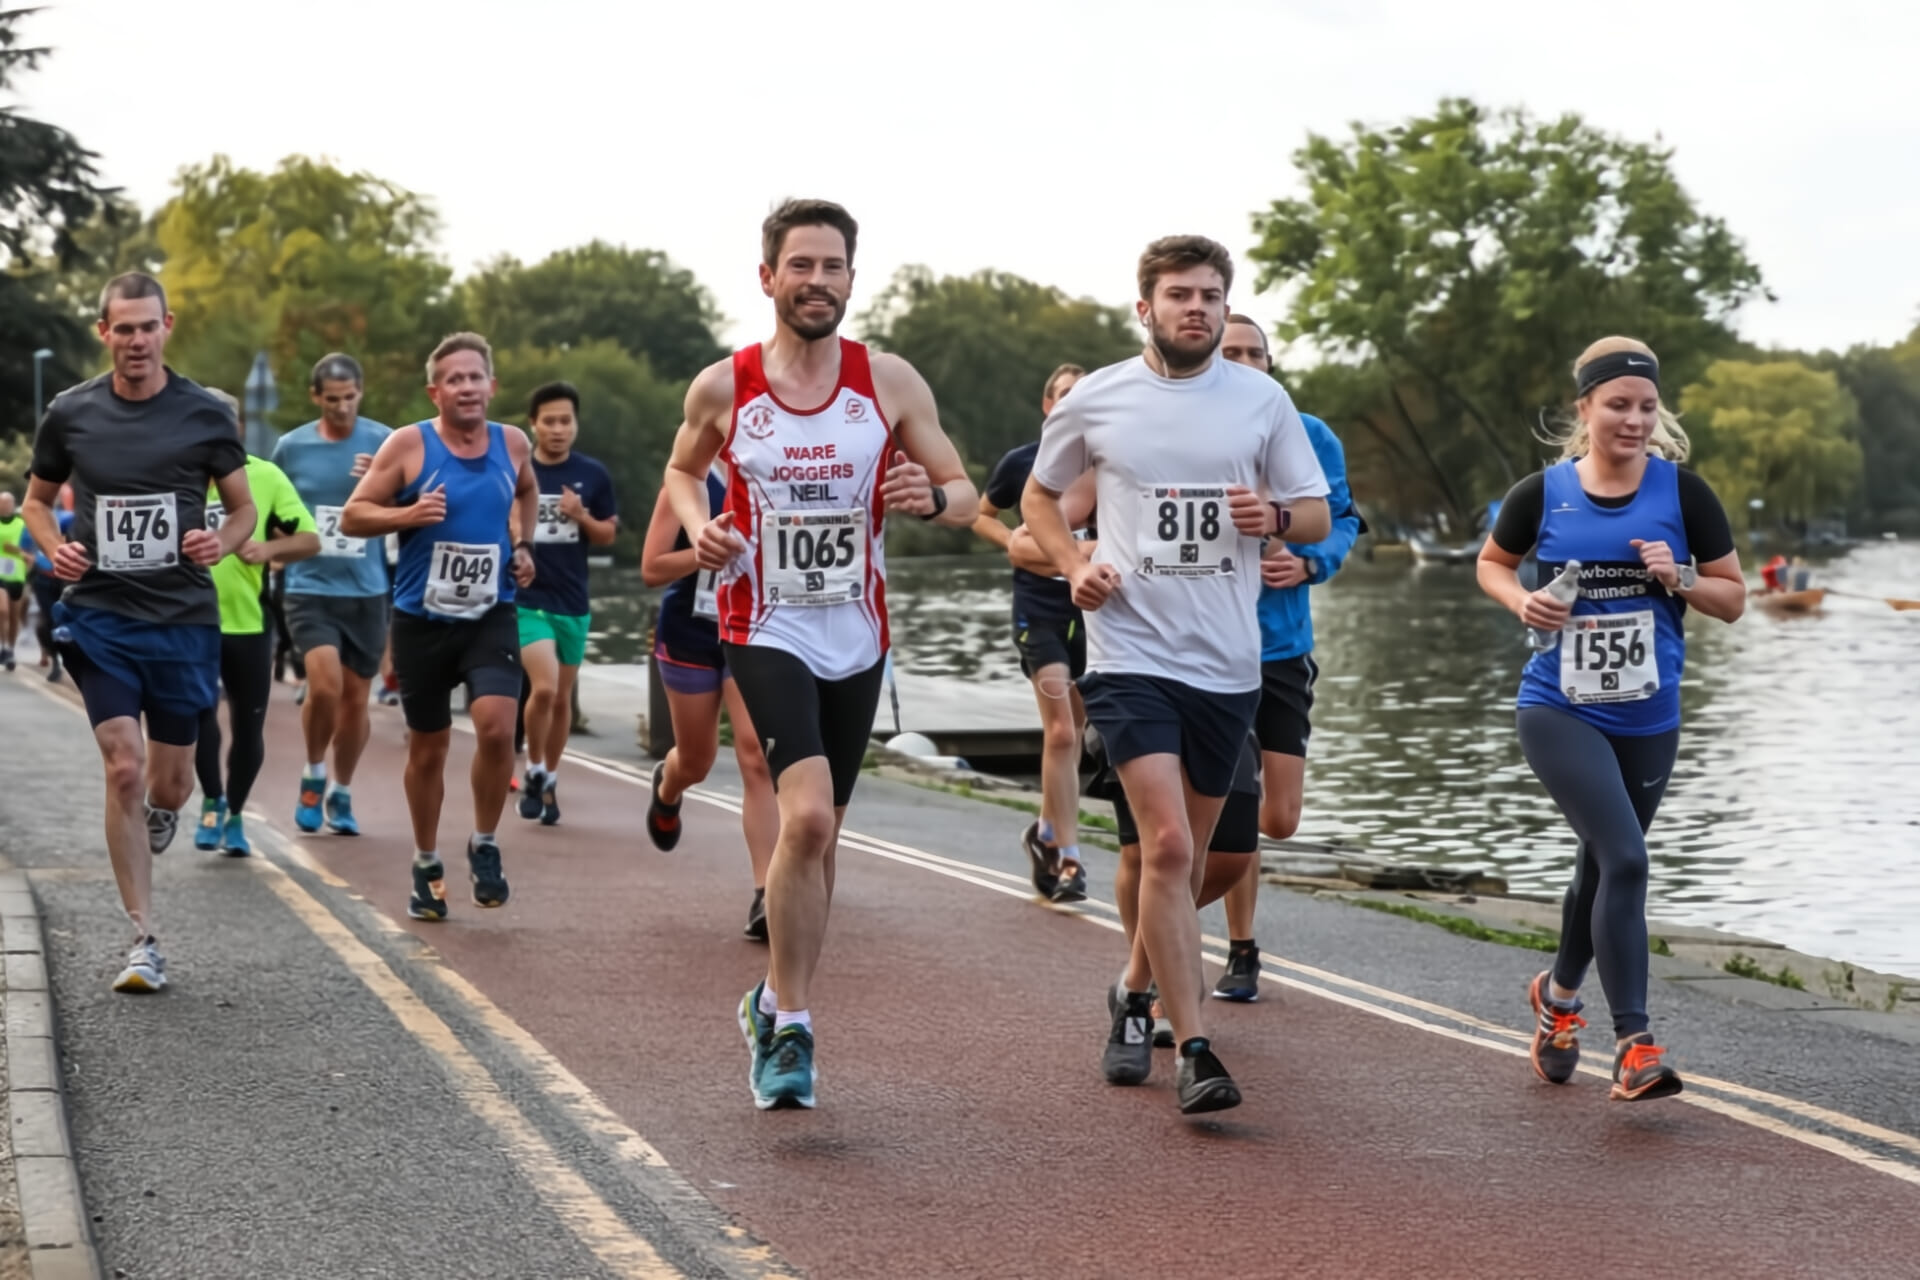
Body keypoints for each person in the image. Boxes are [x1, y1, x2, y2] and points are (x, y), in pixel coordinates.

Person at [663, 198, 977, 1110]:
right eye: (800, 266)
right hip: (762, 622)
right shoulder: (726, 386)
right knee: (803, 820)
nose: (817, 281)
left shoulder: (889, 382)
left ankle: (767, 1002)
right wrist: (701, 528)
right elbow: (682, 472)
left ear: (851, 277)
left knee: (824, 833)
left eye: (833, 266)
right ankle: (794, 1023)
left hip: (856, 630)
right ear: (768, 278)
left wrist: (929, 497)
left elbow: (964, 494)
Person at [1022, 235, 1329, 1115]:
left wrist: (1271, 512)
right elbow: (1040, 498)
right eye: (1180, 294)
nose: (1197, 308)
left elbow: (1312, 514)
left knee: (1190, 861)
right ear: (1144, 307)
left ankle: (1131, 990)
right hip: (1128, 654)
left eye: (1212, 295)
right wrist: (1072, 561)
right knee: (1163, 846)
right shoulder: (1101, 398)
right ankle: (1195, 1050)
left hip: (1228, 661)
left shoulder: (1262, 400)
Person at [1477, 335, 1745, 1102]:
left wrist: (1683, 576)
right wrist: (1517, 599)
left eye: (1647, 407)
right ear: (1585, 408)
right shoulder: (1544, 493)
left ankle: (1558, 1001)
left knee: (1600, 863)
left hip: (1649, 715)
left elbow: (1732, 600)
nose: (1633, 421)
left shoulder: (1684, 496)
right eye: (1618, 405)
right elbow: (1493, 561)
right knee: (1626, 860)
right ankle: (1635, 1044)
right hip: (1559, 707)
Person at [21, 272, 256, 992]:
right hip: (100, 614)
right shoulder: (71, 412)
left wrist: (221, 541)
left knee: (171, 783)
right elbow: (36, 500)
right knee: (121, 763)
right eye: (122, 328)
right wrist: (49, 546)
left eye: (146, 326)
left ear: (167, 327)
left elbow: (241, 509)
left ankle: (163, 812)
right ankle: (142, 939)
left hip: (182, 620)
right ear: (104, 333)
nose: (135, 341)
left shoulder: (206, 415)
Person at [341, 333, 536, 921]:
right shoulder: (409, 445)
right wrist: (409, 513)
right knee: (429, 749)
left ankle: (484, 842)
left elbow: (526, 491)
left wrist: (523, 544)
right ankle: (426, 862)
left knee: (498, 728)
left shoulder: (514, 443)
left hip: (490, 613)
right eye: (455, 379)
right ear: (436, 391)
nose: (467, 388)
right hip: (422, 621)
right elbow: (353, 515)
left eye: (476, 377)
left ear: (492, 386)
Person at [1210, 316, 1363, 1001]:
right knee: (1234, 811)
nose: (1244, 362)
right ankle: (1239, 947)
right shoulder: (1187, 429)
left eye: (1254, 353)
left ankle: (1189, 905)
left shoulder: (1309, 433)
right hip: (1206, 647)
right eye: (1230, 352)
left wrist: (1310, 562)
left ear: (1271, 364)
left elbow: (1345, 518)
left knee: (1279, 819)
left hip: (1281, 648)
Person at [639, 466, 780, 940]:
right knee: (696, 760)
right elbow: (651, 567)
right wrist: (701, 553)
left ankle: (767, 894)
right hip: (692, 632)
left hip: (756, 630)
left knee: (756, 755)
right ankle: (668, 786)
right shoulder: (691, 480)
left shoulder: (780, 471)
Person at [973, 364, 1093, 903]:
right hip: (1038, 611)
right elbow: (981, 513)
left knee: (1080, 735)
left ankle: (1045, 830)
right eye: (1065, 394)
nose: (1073, 402)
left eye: (1082, 395)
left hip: (1091, 611)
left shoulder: (1106, 464)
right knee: (1062, 733)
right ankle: (1068, 859)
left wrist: (1073, 556)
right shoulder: (1023, 462)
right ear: (1049, 406)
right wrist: (1014, 545)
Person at [192, 389, 320, 855]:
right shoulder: (174, 475)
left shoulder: (264, 477)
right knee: (197, 715)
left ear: (238, 427)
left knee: (249, 728)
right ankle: (211, 800)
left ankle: (235, 815)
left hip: (248, 622)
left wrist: (267, 549)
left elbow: (309, 539)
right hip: (190, 622)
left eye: (225, 422)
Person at [271, 354, 394, 836]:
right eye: (333, 399)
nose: (342, 408)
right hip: (309, 585)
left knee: (356, 700)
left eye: (351, 398)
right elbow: (272, 506)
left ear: (361, 392)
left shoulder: (385, 442)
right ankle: (313, 771)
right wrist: (280, 541)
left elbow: (416, 501)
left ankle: (342, 789)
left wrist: (384, 484)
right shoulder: (291, 447)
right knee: (325, 686)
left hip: (367, 587)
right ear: (316, 397)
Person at [513, 381, 618, 825]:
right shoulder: (519, 472)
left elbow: (608, 534)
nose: (558, 430)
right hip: (526, 601)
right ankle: (533, 766)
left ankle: (549, 778)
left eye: (566, 421)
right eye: (549, 421)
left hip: (573, 602)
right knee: (545, 687)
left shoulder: (593, 475)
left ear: (575, 424)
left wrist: (581, 516)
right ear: (533, 424)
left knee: (561, 701)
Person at [17, 488, 75, 681]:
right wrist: (32, 559)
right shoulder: (30, 524)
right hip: (43, 577)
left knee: (67, 619)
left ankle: (69, 659)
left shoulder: (67, 517)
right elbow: (24, 549)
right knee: (48, 620)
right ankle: (55, 660)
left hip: (65, 577)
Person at [0, 490, 26, 670]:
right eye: (2, 503)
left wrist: (17, 552)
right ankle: (3, 646)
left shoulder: (22, 524)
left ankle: (10, 649)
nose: (5, 506)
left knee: (15, 616)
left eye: (8, 503)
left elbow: (30, 548)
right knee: (2, 611)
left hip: (17, 573)